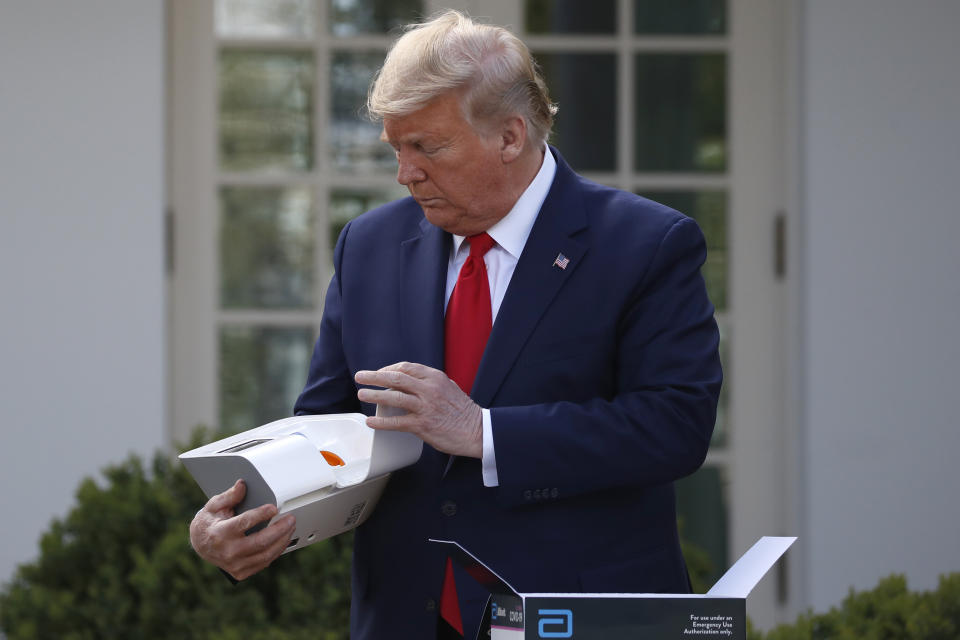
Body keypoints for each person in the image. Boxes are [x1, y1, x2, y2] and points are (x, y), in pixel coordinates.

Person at [190, 10, 721, 640]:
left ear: (509, 136)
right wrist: (250, 512)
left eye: (427, 147)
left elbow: (675, 427)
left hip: (575, 616)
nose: (404, 172)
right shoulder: (368, 245)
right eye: (396, 147)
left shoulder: (647, 243)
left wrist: (483, 432)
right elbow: (329, 424)